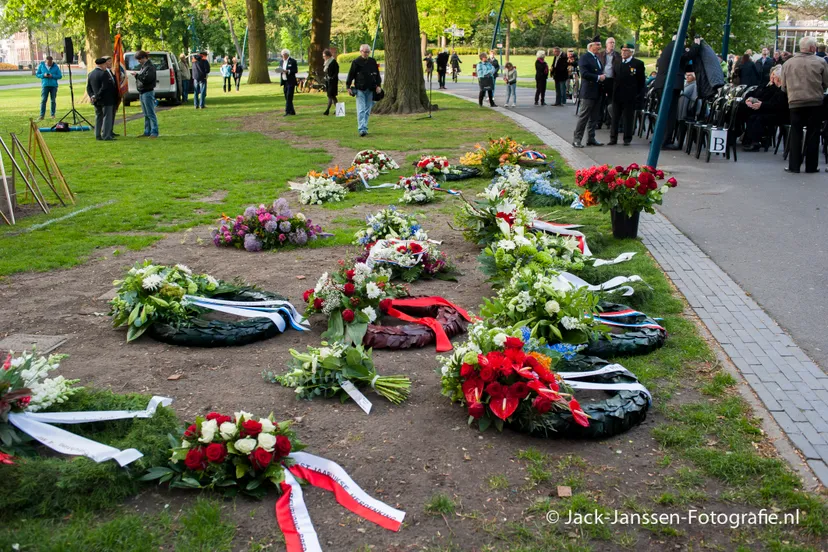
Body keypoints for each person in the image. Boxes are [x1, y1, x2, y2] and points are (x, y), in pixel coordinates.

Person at [780, 36, 828, 173]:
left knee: (796, 133)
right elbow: (826, 82)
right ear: (813, 48)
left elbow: (783, 86)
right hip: (815, 102)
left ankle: (794, 166)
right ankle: (811, 166)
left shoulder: (788, 63)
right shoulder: (820, 62)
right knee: (813, 134)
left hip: (795, 102)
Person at [653, 36, 689, 149]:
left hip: (661, 84)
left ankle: (659, 139)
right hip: (670, 85)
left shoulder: (668, 47)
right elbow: (687, 57)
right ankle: (666, 141)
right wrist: (696, 46)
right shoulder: (677, 46)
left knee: (663, 112)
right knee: (670, 114)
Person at [741, 66, 788, 151]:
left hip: (780, 115)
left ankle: (755, 142)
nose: (773, 78)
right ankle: (751, 140)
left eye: (774, 76)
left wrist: (761, 105)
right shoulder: (776, 87)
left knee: (758, 118)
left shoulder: (782, 89)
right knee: (753, 116)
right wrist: (759, 103)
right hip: (773, 111)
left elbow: (776, 105)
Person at [572, 36, 606, 148]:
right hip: (588, 92)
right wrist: (598, 77)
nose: (599, 47)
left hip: (597, 91)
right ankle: (577, 139)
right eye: (597, 45)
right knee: (584, 116)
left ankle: (591, 138)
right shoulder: (585, 58)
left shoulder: (596, 58)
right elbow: (585, 74)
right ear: (591, 46)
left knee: (594, 117)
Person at [609, 43, 645, 146]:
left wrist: (638, 96)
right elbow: (614, 78)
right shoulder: (617, 62)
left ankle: (627, 138)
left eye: (626, 51)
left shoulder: (637, 64)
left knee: (628, 118)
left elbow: (641, 81)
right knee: (615, 117)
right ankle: (613, 138)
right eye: (622, 50)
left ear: (631, 52)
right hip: (617, 95)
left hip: (630, 96)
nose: (623, 52)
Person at [345, 44, 382, 136]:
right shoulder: (356, 62)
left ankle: (364, 126)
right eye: (364, 52)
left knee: (367, 110)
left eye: (367, 52)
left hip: (371, 88)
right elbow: (351, 75)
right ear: (360, 51)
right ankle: (362, 128)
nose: (365, 53)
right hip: (360, 89)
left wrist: (378, 86)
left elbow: (377, 75)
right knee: (361, 109)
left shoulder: (372, 62)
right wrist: (348, 86)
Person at [86, 56, 117, 141]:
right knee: (107, 117)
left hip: (96, 100)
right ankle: (106, 135)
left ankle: (97, 134)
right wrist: (97, 96)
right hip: (106, 99)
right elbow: (104, 87)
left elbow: (88, 88)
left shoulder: (91, 74)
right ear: (103, 64)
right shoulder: (104, 74)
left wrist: (92, 96)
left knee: (98, 117)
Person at [133, 50, 158, 138]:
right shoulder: (144, 67)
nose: (138, 61)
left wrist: (137, 76)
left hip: (147, 92)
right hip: (143, 92)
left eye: (140, 59)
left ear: (145, 58)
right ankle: (147, 131)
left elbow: (147, 79)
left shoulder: (150, 67)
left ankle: (154, 132)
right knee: (146, 113)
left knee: (150, 113)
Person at [598, 37, 618, 130]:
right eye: (610, 42)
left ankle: (609, 121)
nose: (612, 44)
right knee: (600, 101)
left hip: (612, 80)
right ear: (606, 44)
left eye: (613, 43)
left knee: (611, 102)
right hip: (602, 80)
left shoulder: (617, 56)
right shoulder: (600, 54)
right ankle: (598, 122)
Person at [35, 56, 62, 121]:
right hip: (45, 85)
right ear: (46, 61)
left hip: (53, 86)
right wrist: (43, 75)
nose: (49, 64)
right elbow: (37, 74)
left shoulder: (55, 67)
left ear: (52, 61)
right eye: (48, 62)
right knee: (43, 100)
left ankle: (53, 114)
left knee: (53, 100)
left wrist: (52, 76)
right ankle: (42, 115)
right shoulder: (42, 66)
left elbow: (60, 76)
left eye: (50, 62)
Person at [279, 49, 298, 116]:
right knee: (286, 97)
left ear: (287, 55)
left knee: (289, 96)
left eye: (285, 55)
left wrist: (288, 71)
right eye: (283, 55)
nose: (283, 56)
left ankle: (287, 111)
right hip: (284, 81)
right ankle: (292, 111)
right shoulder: (281, 62)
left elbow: (295, 70)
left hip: (291, 81)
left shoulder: (292, 61)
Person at [322, 48, 339, 116]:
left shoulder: (333, 62)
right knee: (332, 96)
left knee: (330, 95)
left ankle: (327, 110)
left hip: (333, 81)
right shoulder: (326, 63)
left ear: (328, 56)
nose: (323, 57)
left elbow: (336, 72)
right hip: (328, 81)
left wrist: (332, 78)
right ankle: (337, 109)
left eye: (324, 56)